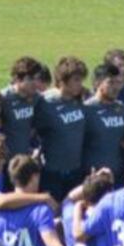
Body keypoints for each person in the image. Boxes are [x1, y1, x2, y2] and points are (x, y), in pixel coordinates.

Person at [34, 56, 89, 203]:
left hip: (76, 170)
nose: (80, 84)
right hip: (53, 172)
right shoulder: (46, 103)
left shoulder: (80, 100)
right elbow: (33, 131)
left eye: (81, 80)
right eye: (76, 80)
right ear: (63, 80)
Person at [83, 63, 124, 187]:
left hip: (119, 176)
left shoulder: (121, 108)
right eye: (110, 83)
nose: (116, 87)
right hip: (94, 177)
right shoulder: (87, 110)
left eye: (117, 83)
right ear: (98, 83)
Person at [0, 58, 42, 157]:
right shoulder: (4, 98)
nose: (35, 83)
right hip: (6, 160)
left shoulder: (37, 99)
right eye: (31, 79)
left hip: (26, 157)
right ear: (18, 79)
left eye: (37, 78)